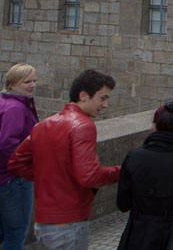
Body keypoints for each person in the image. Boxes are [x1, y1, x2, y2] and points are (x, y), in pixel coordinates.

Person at [8, 69, 120, 249]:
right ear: (83, 95)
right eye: (102, 98)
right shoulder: (83, 125)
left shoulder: (43, 125)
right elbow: (89, 176)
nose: (105, 104)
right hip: (69, 223)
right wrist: (121, 171)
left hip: (44, 223)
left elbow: (16, 163)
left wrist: (50, 177)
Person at [116, 101, 173, 249]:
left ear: (154, 125)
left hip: (138, 235)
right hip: (171, 236)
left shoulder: (134, 156)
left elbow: (123, 204)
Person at [0, 64, 39, 250]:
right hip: (14, 180)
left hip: (5, 178)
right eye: (27, 81)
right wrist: (24, 167)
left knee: (5, 232)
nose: (32, 85)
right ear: (13, 84)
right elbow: (7, 144)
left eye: (34, 80)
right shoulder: (16, 108)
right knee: (16, 234)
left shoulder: (4, 102)